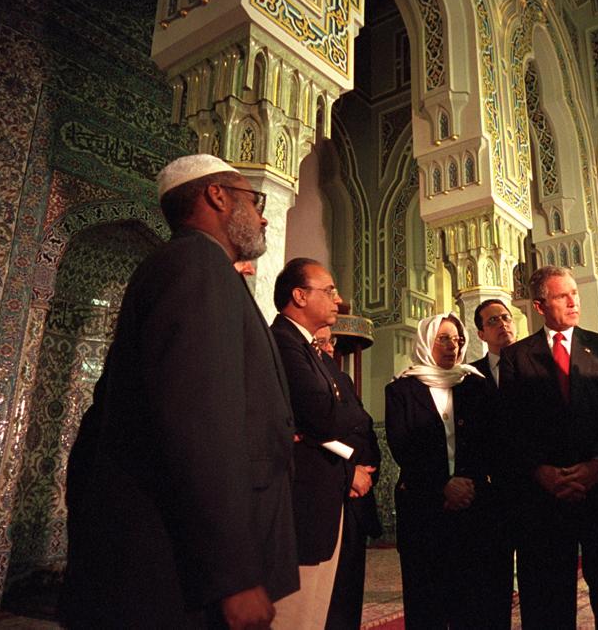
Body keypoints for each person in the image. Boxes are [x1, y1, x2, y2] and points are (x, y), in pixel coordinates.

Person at [62, 154, 297, 629]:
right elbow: (201, 425)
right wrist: (233, 574)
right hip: (177, 567)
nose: (264, 214)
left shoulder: (196, 268)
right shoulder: (196, 266)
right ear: (217, 196)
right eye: (255, 201)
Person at [498, 266, 598, 629]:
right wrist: (541, 471)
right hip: (543, 498)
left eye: (575, 292)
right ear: (540, 306)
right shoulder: (515, 357)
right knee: (547, 598)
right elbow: (511, 425)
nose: (574, 300)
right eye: (562, 296)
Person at [270, 258, 371, 629]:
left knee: (314, 613)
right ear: (299, 295)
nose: (339, 299)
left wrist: (327, 419)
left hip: (321, 501)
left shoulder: (309, 347)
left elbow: (345, 411)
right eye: (328, 290)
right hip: (302, 504)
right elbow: (325, 415)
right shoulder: (283, 342)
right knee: (294, 616)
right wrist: (331, 418)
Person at [385, 313, 494, 628]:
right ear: (425, 341)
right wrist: (443, 485)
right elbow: (402, 445)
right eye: (444, 338)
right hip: (423, 506)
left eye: (458, 339)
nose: (453, 345)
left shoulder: (474, 385)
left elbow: (487, 442)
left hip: (471, 505)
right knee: (425, 603)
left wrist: (466, 483)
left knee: (469, 602)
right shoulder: (402, 389)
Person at [314, 327, 383, 630]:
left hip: (357, 498)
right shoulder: (303, 378)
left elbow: (364, 428)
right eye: (320, 342)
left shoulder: (342, 380)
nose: (329, 348)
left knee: (348, 593)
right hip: (327, 494)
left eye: (332, 342)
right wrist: (350, 469)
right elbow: (315, 433)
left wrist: (368, 471)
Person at [470, 299, 519, 626]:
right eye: (493, 321)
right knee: (494, 581)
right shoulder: (471, 378)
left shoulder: (538, 365)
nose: (503, 325)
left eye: (506, 317)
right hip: (492, 495)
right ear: (481, 333)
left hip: (535, 489)